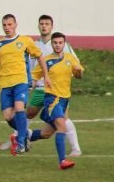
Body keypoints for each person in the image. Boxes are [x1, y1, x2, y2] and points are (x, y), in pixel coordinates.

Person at [3, 15, 83, 156]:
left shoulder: (63, 45)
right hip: (39, 89)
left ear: (52, 26)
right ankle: (20, 138)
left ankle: (75, 148)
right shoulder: (34, 44)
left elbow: (75, 65)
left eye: (47, 24)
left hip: (56, 91)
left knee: (62, 119)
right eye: (41, 24)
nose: (44, 26)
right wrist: (29, 83)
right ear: (38, 26)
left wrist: (72, 74)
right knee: (27, 113)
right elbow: (31, 67)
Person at [0, 14, 48, 156]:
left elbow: (39, 56)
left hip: (21, 81)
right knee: (8, 116)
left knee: (19, 108)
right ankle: (25, 134)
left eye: (9, 25)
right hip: (5, 84)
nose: (7, 28)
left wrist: (46, 76)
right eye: (4, 25)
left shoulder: (25, 40)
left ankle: (20, 143)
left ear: (15, 25)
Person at [27, 33, 84, 170]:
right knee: (62, 127)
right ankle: (62, 161)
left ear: (64, 44)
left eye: (60, 43)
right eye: (55, 43)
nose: (58, 45)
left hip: (65, 100)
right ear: (52, 44)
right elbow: (34, 77)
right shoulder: (46, 61)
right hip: (52, 99)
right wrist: (29, 89)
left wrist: (77, 71)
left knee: (46, 134)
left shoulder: (70, 58)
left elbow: (79, 75)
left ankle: (22, 137)